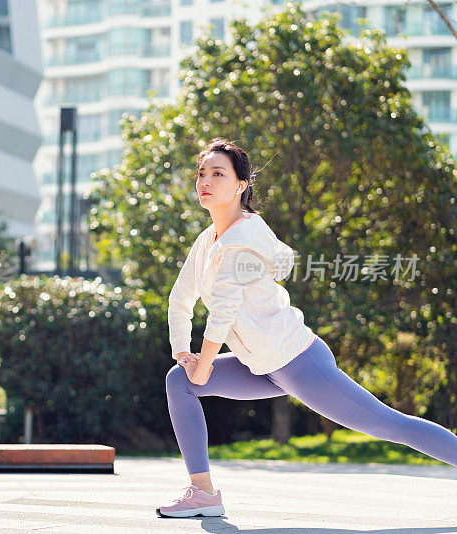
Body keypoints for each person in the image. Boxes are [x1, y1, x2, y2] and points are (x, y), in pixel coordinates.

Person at [157, 137, 457, 518]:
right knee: (178, 379)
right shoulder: (206, 242)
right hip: (261, 367)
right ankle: (204, 493)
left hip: (299, 362)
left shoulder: (243, 239)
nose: (206, 180)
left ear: (240, 185)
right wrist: (183, 352)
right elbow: (180, 298)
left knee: (391, 426)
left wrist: (205, 365)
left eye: (218, 173)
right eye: (202, 173)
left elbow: (224, 314)